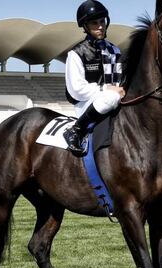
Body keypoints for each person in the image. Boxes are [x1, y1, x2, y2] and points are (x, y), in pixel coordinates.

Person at [63, 0, 126, 155]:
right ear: (85, 26)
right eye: (94, 23)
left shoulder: (114, 50)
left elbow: (119, 79)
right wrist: (106, 89)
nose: (100, 26)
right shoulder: (76, 53)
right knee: (111, 97)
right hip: (86, 103)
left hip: (112, 98)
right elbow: (76, 90)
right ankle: (76, 130)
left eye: (102, 21)